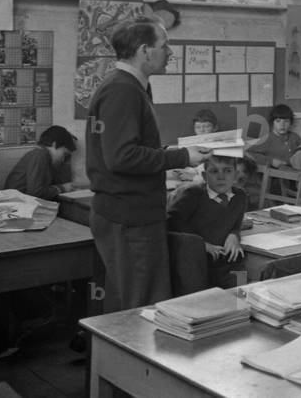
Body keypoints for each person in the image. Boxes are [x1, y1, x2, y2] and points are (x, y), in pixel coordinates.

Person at [86, 16, 209, 312]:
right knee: (141, 306)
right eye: (164, 45)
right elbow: (121, 157)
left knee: (125, 302)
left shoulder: (130, 86)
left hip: (132, 213)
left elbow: (131, 149)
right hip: (129, 217)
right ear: (145, 51)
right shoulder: (123, 89)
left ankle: (111, 358)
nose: (171, 53)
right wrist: (182, 157)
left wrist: (179, 151)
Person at [166, 153, 247, 288]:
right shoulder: (193, 194)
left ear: (236, 175)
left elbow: (236, 223)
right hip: (192, 258)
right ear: (204, 176)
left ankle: (241, 301)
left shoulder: (240, 196)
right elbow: (171, 221)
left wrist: (234, 235)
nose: (221, 177)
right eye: (214, 171)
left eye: (227, 171)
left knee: (241, 289)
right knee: (200, 299)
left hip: (223, 258)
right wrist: (201, 244)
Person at [4, 125, 79, 200]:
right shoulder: (39, 155)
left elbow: (62, 182)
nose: (63, 159)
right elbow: (36, 193)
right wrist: (62, 188)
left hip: (23, 201)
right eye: (65, 154)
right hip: (16, 203)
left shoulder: (47, 158)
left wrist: (66, 162)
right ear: (54, 144)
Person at [247, 104, 301, 169]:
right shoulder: (267, 139)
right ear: (272, 122)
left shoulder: (295, 137)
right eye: (278, 121)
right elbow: (248, 153)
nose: (282, 125)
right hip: (276, 176)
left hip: (295, 174)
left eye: (286, 121)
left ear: (291, 123)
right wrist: (271, 161)